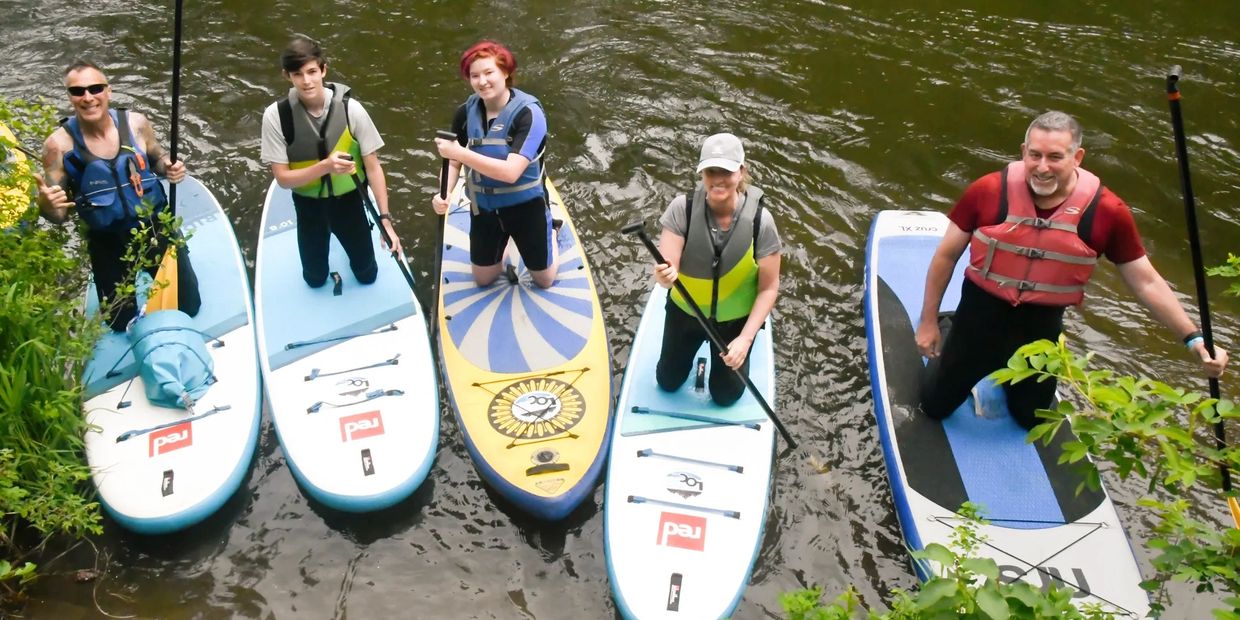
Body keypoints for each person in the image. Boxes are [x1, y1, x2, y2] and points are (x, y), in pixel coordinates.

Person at [916, 110, 1229, 429]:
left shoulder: (1108, 212)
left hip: (1039, 333)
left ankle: (1010, 377)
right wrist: (928, 321)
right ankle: (948, 326)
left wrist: (1194, 338)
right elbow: (946, 255)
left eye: (1055, 157)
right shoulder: (988, 191)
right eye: (1034, 155)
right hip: (977, 320)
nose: (1042, 167)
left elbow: (1146, 281)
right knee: (933, 406)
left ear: (1077, 157)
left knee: (1032, 421)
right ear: (1024, 152)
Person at [36, 60, 201, 331]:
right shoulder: (58, 145)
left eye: (95, 88)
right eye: (78, 91)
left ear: (108, 91)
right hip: (106, 241)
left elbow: (157, 159)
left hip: (155, 226)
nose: (88, 97)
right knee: (118, 322)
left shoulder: (136, 124)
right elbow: (58, 215)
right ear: (69, 96)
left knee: (189, 306)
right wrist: (45, 205)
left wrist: (170, 167)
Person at [651, 133, 782, 406]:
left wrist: (745, 340)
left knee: (725, 397)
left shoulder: (761, 221)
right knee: (667, 382)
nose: (717, 178)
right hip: (685, 314)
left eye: (726, 170)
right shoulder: (681, 208)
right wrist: (664, 276)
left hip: (734, 323)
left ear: (741, 172)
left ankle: (741, 354)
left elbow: (769, 288)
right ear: (702, 173)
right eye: (711, 170)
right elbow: (667, 266)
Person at [260, 34, 400, 288]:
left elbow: (373, 167)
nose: (306, 81)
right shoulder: (275, 116)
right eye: (298, 74)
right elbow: (282, 179)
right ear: (287, 76)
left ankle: (353, 248)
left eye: (312, 71)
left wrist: (385, 220)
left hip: (349, 202)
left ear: (324, 70)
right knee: (314, 279)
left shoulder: (352, 109)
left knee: (367, 275)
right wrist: (325, 166)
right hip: (308, 205)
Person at [432, 40, 558, 289]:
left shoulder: (529, 114)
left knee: (544, 281)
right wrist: (443, 193)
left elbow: (511, 173)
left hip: (526, 207)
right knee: (483, 280)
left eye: (489, 73)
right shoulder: (465, 113)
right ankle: (503, 247)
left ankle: (551, 231)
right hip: (484, 209)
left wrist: (459, 152)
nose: (482, 81)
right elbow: (453, 162)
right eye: (474, 75)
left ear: (506, 72)